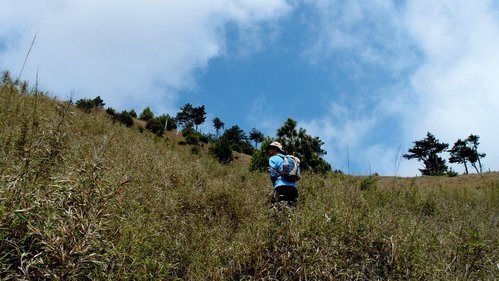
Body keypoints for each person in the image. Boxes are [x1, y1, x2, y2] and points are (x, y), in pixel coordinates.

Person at [267, 141, 298, 207]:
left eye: (270, 148)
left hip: (281, 187)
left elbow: (272, 174)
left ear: (275, 149)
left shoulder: (273, 158)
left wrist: (275, 185)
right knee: (292, 210)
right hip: (294, 189)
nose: (268, 150)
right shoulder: (292, 160)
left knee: (278, 209)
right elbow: (297, 175)